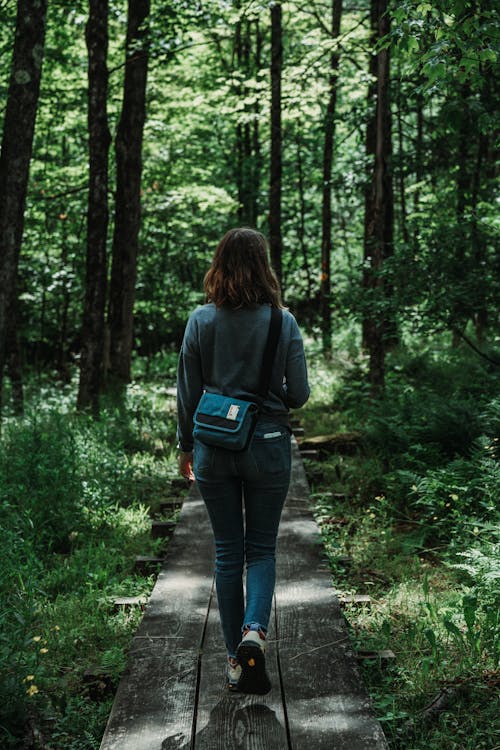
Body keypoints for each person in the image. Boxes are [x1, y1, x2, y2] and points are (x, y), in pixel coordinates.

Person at [176, 227, 310, 694]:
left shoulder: (200, 320)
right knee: (263, 549)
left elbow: (188, 394)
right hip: (268, 444)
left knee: (228, 552)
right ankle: (257, 628)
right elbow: (300, 395)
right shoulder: (282, 321)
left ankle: (236, 661)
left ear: (220, 265)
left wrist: (185, 446)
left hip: (214, 448)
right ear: (264, 266)